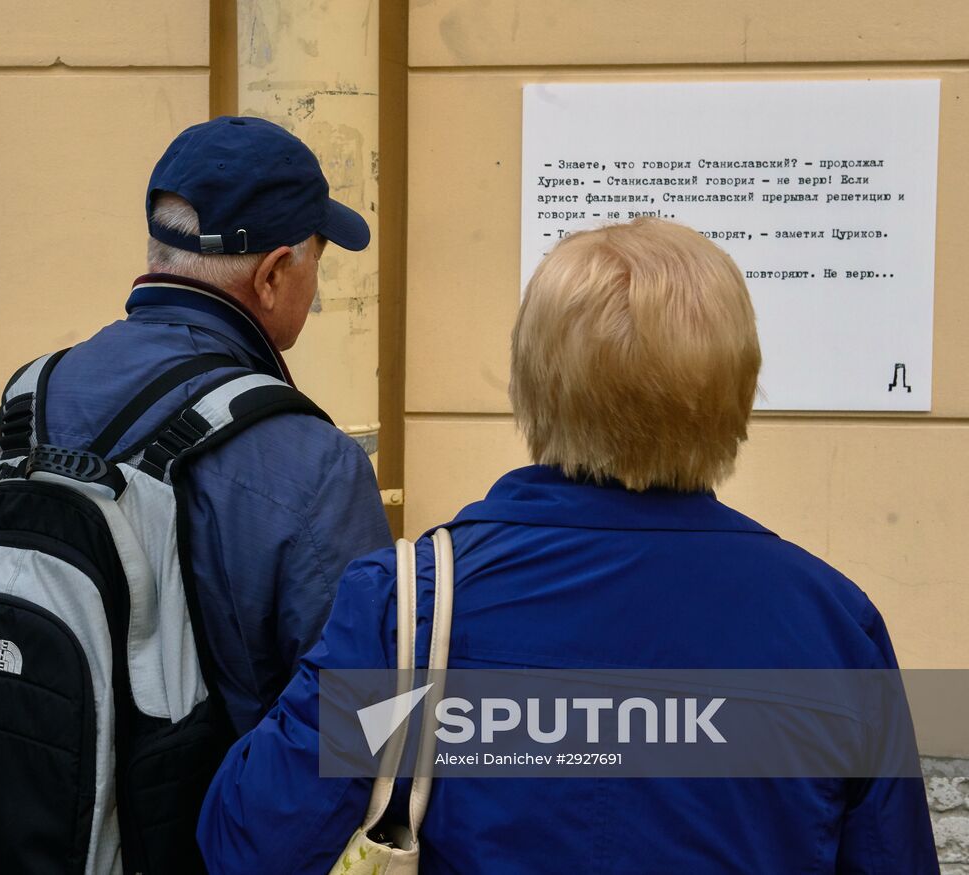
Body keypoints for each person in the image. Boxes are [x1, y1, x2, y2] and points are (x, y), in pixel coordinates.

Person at [197, 218, 938, 872]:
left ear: (534, 383)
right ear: (736, 393)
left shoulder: (411, 605)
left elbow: (248, 842)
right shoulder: (831, 626)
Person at [0, 115, 392, 735]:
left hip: (25, 817)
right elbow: (363, 727)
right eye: (319, 261)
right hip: (203, 827)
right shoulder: (313, 459)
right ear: (273, 274)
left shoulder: (32, 393)